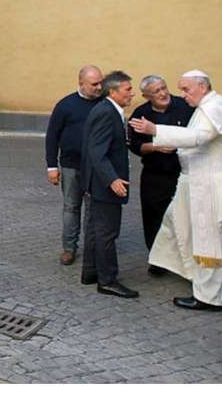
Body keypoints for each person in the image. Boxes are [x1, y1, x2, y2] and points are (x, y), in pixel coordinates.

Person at [129, 70, 222, 310]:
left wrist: (156, 130)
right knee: (177, 224)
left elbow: (200, 136)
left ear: (202, 87)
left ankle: (211, 297)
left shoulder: (212, 107)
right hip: (199, 181)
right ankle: (196, 278)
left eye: (186, 89)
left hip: (210, 185)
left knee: (212, 239)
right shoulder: (206, 105)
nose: (182, 95)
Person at [127, 75, 194, 276]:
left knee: (185, 215)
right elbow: (135, 145)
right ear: (146, 96)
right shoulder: (140, 114)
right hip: (155, 173)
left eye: (164, 88)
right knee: (153, 216)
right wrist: (154, 147)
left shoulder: (185, 106)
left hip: (184, 170)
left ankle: (186, 260)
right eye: (156, 91)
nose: (163, 93)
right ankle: (157, 259)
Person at [80, 70, 138, 298]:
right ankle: (107, 280)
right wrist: (112, 179)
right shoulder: (106, 112)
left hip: (99, 183)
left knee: (96, 230)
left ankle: (91, 272)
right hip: (104, 185)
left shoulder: (108, 110)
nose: (132, 94)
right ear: (113, 92)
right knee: (107, 232)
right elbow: (97, 152)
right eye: (128, 89)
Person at [45, 65, 103, 265]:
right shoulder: (65, 105)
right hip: (71, 165)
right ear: (81, 83)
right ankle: (69, 248)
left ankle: (92, 248)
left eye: (100, 83)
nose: (99, 87)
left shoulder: (104, 103)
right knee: (71, 207)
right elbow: (52, 136)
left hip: (97, 167)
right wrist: (51, 166)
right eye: (94, 84)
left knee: (93, 209)